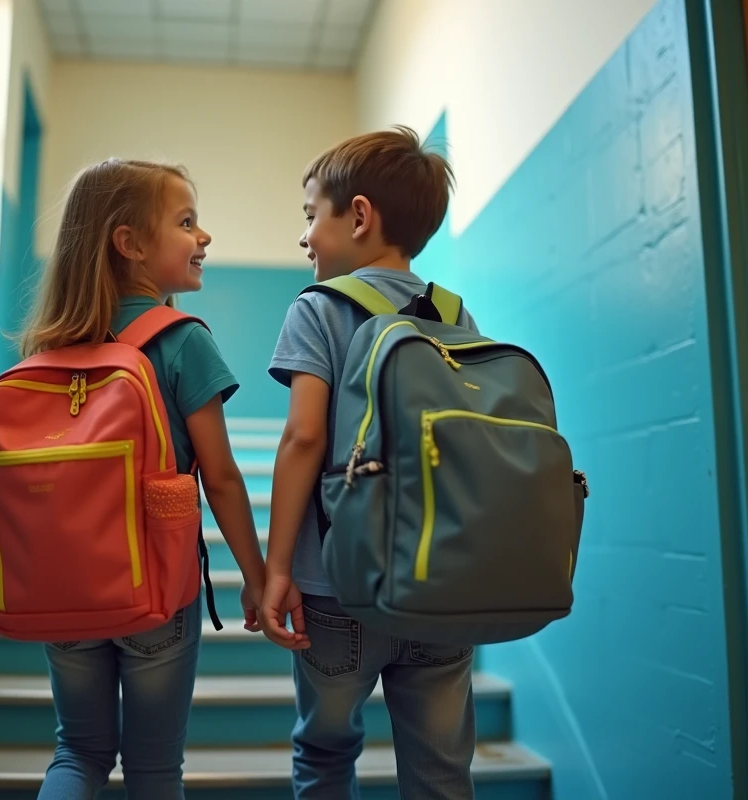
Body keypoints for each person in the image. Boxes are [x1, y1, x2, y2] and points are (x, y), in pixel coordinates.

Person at [21, 158, 267, 800]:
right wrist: (257, 575)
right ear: (129, 243)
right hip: (155, 585)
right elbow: (221, 477)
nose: (203, 236)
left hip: (64, 586)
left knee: (77, 753)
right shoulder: (182, 342)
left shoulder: (50, 349)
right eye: (186, 222)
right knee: (155, 771)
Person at [262, 127, 480, 799]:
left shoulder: (319, 309)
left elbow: (303, 439)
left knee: (324, 757)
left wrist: (277, 569)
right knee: (442, 771)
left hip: (337, 586)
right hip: (438, 583)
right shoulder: (455, 314)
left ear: (358, 216)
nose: (305, 237)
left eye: (311, 216)